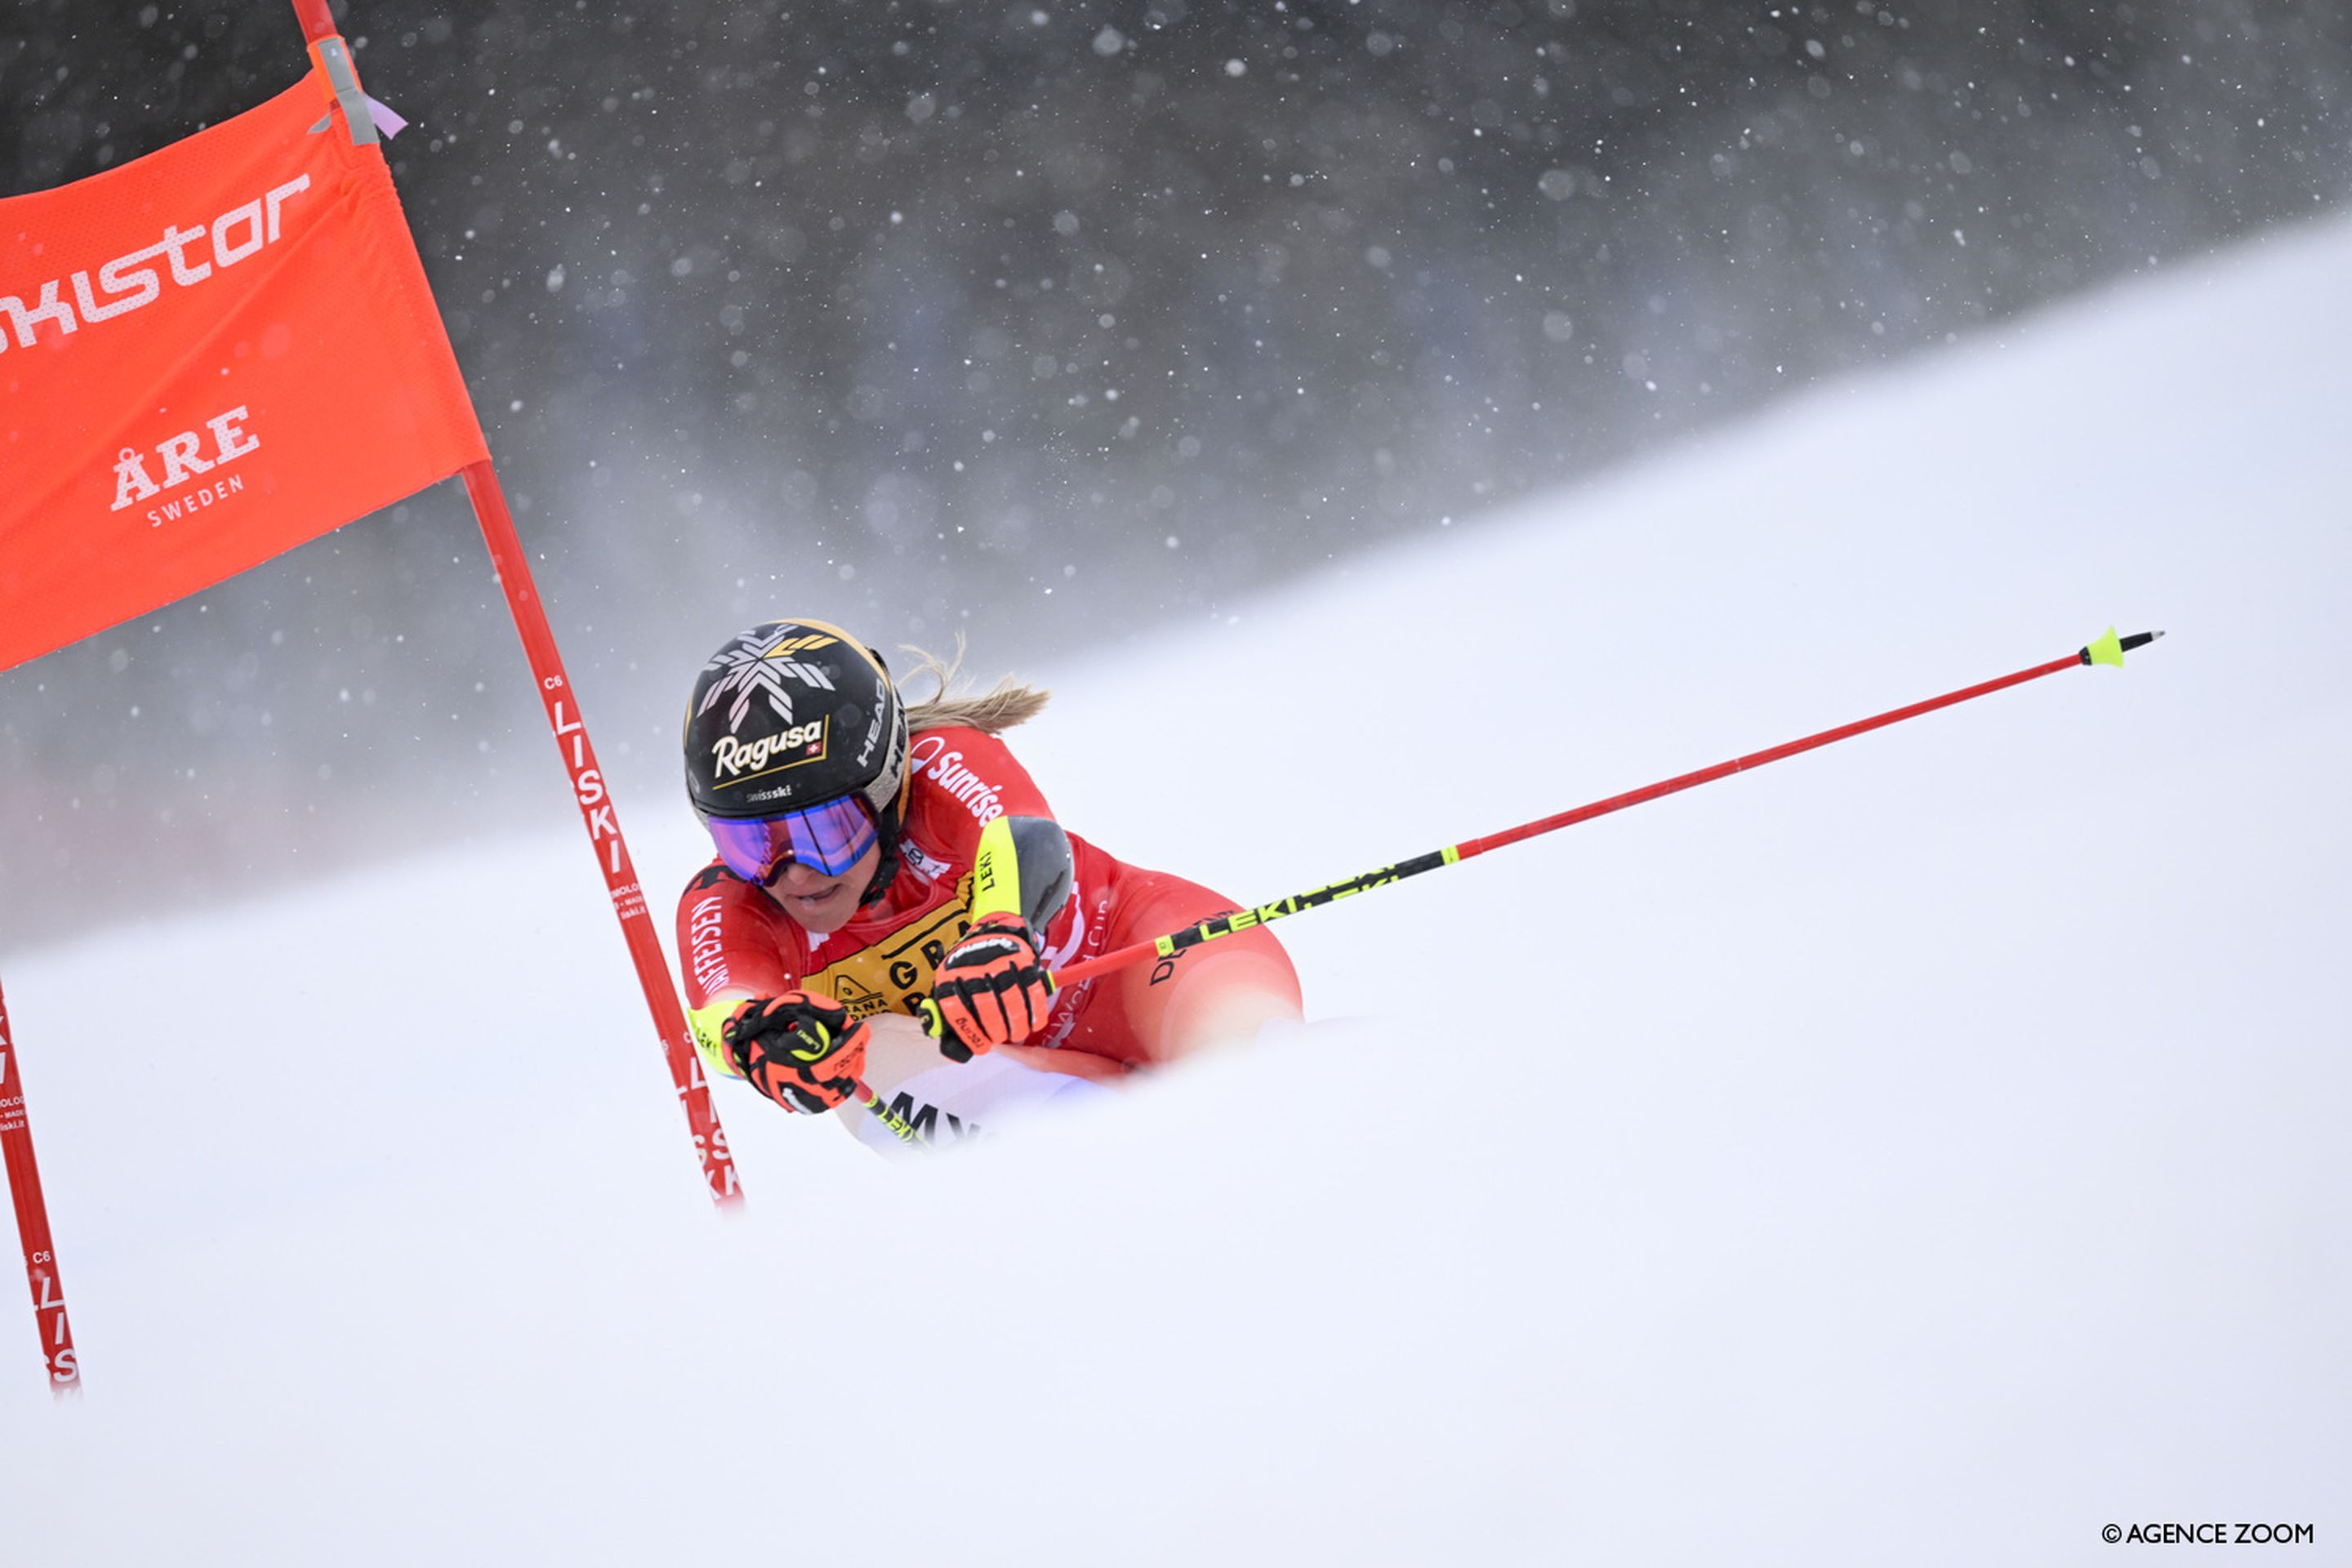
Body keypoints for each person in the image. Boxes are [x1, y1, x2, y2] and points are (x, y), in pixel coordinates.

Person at [673, 617, 1303, 1152]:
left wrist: (999, 929)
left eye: (825, 831)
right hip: (1019, 1073)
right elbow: (720, 1010)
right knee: (871, 1066)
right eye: (750, 843)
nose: (793, 872)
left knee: (1264, 1088)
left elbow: (1021, 837)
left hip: (1148, 961)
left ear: (888, 785)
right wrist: (754, 1041)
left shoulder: (941, 762)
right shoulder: (729, 901)